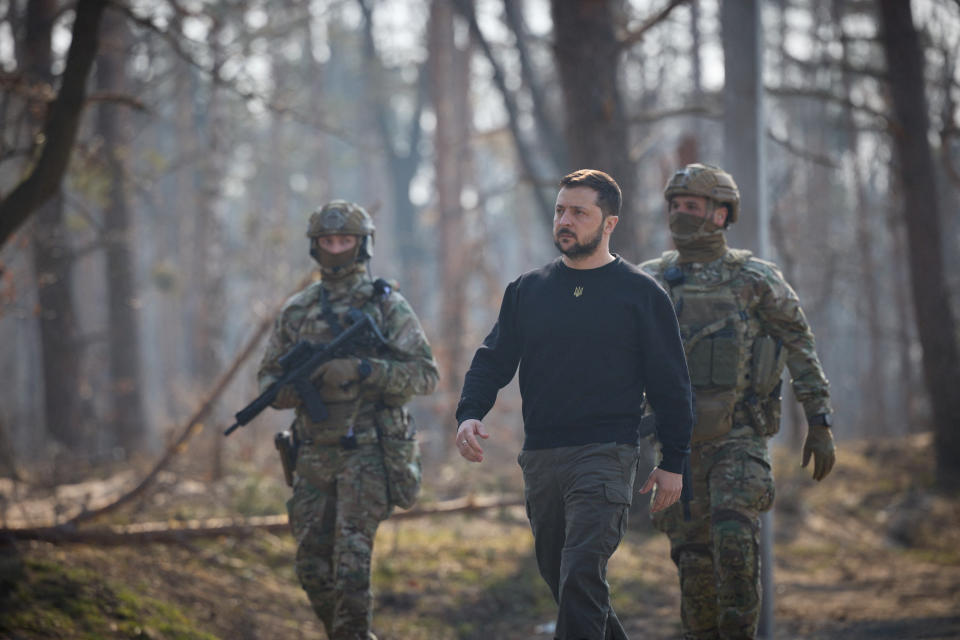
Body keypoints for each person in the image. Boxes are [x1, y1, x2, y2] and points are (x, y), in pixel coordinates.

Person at [455, 169, 694, 640]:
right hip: (542, 455)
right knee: (566, 584)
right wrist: (469, 413)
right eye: (561, 210)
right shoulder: (529, 290)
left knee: (582, 572)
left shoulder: (641, 294)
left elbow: (672, 385)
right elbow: (493, 360)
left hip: (607, 453)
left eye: (579, 212)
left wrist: (675, 461)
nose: (565, 220)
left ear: (609, 223)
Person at [640, 163, 836, 639]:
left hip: (739, 440)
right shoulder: (649, 281)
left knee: (734, 548)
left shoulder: (755, 279)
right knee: (695, 572)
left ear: (722, 215)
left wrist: (819, 418)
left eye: (693, 206)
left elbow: (799, 344)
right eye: (676, 207)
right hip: (677, 451)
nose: (681, 215)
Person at [257, 200, 438, 640]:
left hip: (369, 454)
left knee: (351, 569)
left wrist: (362, 370)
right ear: (315, 247)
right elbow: (268, 381)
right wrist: (300, 386)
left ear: (362, 245)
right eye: (327, 241)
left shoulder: (386, 307)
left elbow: (425, 375)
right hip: (314, 455)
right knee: (311, 567)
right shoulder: (297, 311)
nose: (336, 249)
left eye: (345, 241)